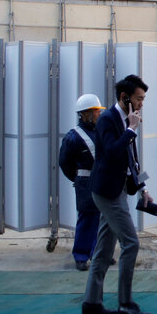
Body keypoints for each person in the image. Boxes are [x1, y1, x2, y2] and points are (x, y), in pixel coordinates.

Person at [82, 74, 154, 314]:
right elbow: (112, 153)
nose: (142, 103)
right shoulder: (108, 120)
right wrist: (131, 130)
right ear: (125, 98)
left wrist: (143, 187)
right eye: (139, 99)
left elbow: (131, 159)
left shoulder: (126, 119)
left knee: (103, 248)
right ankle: (126, 302)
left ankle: (92, 302)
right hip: (108, 192)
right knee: (131, 243)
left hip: (118, 189)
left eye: (143, 98)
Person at [59, 94, 105, 271]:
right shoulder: (73, 137)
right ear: (86, 114)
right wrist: (77, 178)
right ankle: (81, 256)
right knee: (87, 219)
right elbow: (64, 162)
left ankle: (98, 253)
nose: (99, 115)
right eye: (96, 112)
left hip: (100, 181)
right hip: (86, 183)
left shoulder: (100, 131)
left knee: (102, 220)